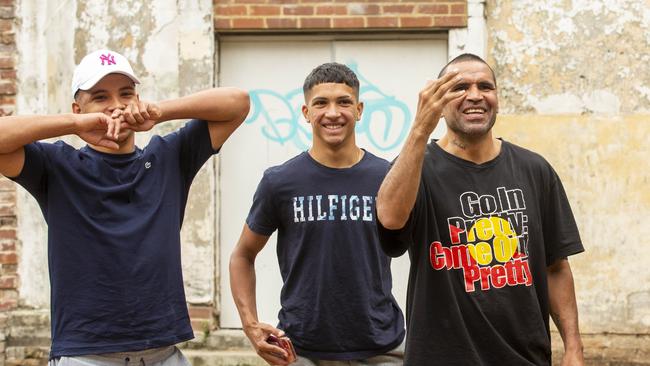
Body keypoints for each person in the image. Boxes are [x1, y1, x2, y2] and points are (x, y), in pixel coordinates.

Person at [0, 49, 250, 365]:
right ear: (80, 108)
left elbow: (238, 102)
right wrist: (74, 124)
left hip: (163, 354)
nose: (116, 106)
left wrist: (157, 111)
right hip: (86, 355)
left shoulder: (168, 156)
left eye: (126, 94)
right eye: (101, 97)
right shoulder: (57, 165)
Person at [375, 53, 584, 366]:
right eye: (460, 87)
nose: (475, 96)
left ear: (497, 98)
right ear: (439, 100)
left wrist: (573, 347)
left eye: (485, 87)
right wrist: (419, 129)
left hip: (525, 358)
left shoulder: (534, 170)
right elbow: (390, 219)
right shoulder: (416, 169)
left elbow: (555, 266)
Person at [230, 63, 405, 366]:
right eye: (321, 103)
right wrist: (251, 325)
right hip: (302, 349)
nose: (333, 112)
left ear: (360, 110)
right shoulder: (280, 181)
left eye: (344, 102)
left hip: (381, 346)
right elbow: (242, 256)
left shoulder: (387, 177)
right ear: (306, 112)